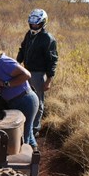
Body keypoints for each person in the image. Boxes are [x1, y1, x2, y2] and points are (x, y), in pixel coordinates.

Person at [0, 43, 39, 149]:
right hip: (18, 101)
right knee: (28, 133)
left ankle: (27, 161)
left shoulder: (4, 62)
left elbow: (26, 75)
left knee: (23, 137)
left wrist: (5, 83)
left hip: (24, 100)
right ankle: (34, 158)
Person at [16, 9, 58, 137]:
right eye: (32, 23)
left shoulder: (47, 38)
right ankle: (24, 124)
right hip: (25, 71)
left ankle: (34, 128)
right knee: (24, 97)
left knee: (37, 101)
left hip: (38, 74)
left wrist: (49, 80)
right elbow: (23, 49)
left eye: (36, 23)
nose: (34, 26)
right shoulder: (29, 34)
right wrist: (16, 64)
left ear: (43, 23)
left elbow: (52, 59)